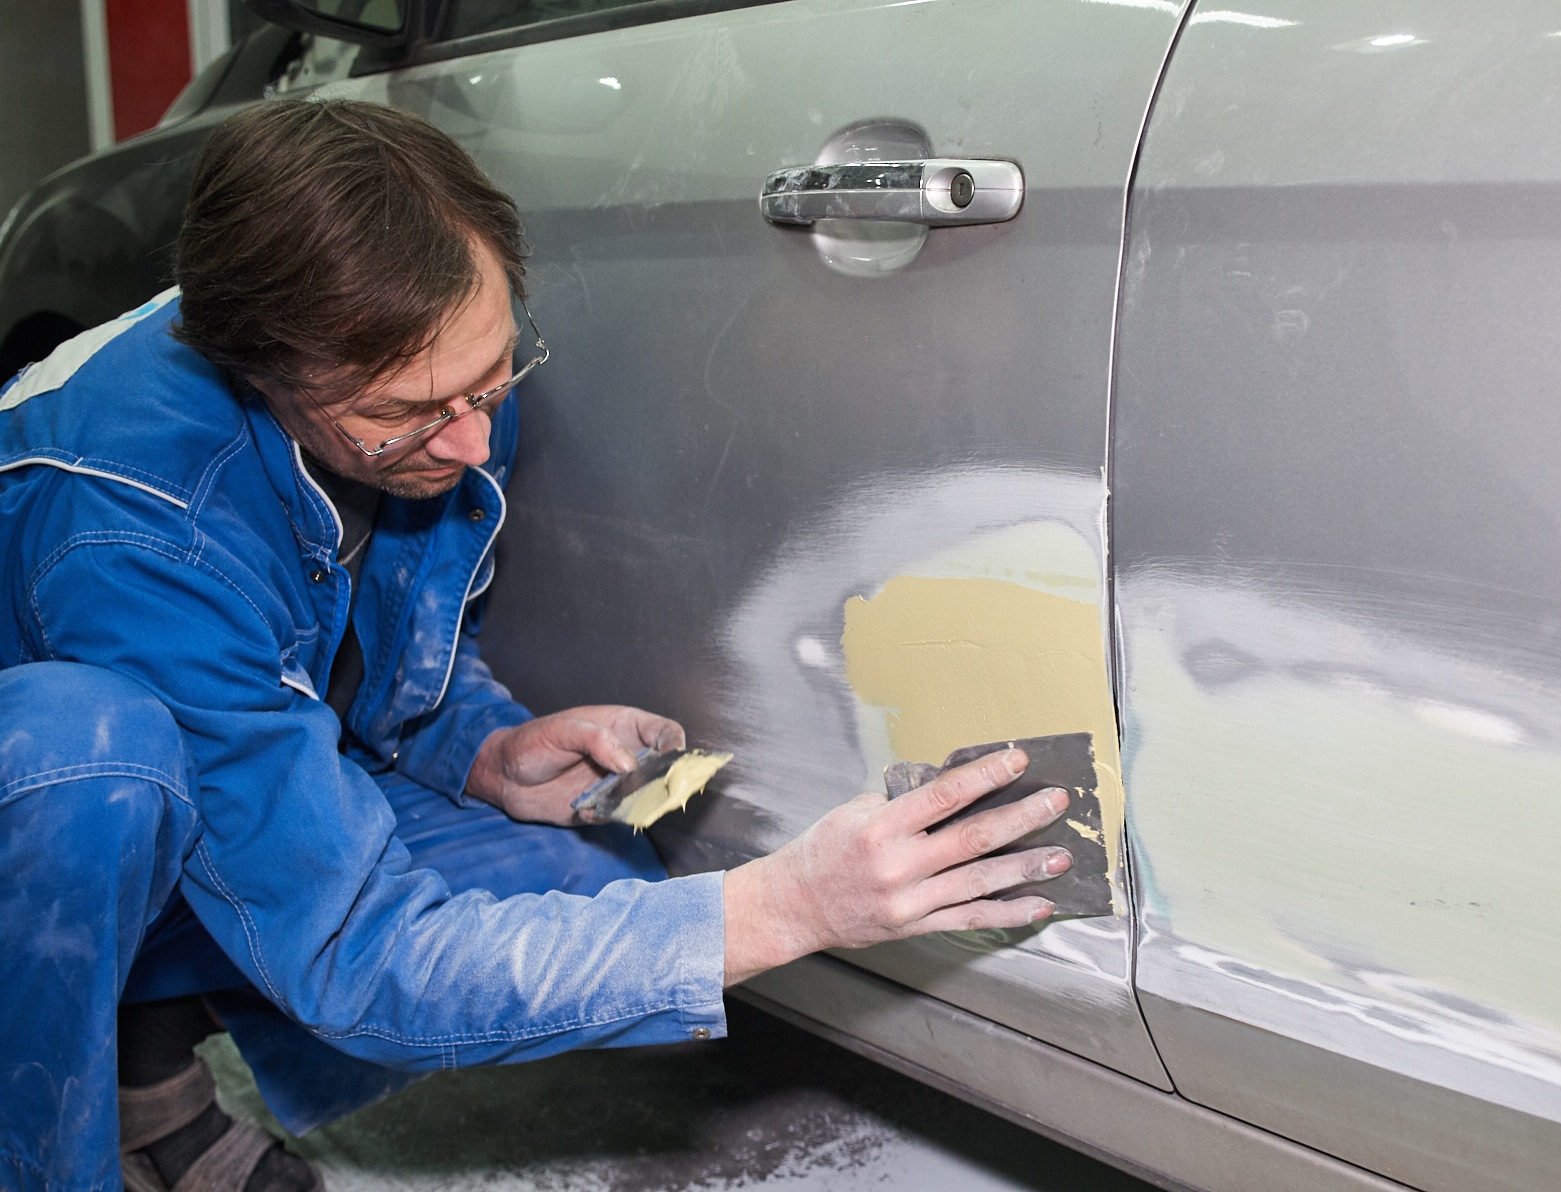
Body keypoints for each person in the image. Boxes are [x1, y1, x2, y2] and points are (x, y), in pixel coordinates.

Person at [0, 98, 1072, 1192]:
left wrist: (473, 745)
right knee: (93, 759)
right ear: (262, 372)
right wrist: (784, 906)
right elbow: (364, 961)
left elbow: (356, 625)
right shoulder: (132, 532)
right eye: (413, 413)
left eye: (491, 377)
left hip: (189, 773)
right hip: (50, 807)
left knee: (563, 870)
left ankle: (141, 1053)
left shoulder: (432, 370)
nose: (471, 442)